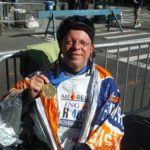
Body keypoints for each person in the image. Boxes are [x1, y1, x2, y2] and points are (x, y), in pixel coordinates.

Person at [0, 16, 124, 150]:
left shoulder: (105, 82)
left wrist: (90, 148)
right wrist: (26, 96)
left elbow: (113, 126)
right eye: (69, 42)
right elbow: (4, 108)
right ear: (61, 46)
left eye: (83, 43)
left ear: (91, 48)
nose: (76, 47)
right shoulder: (42, 76)